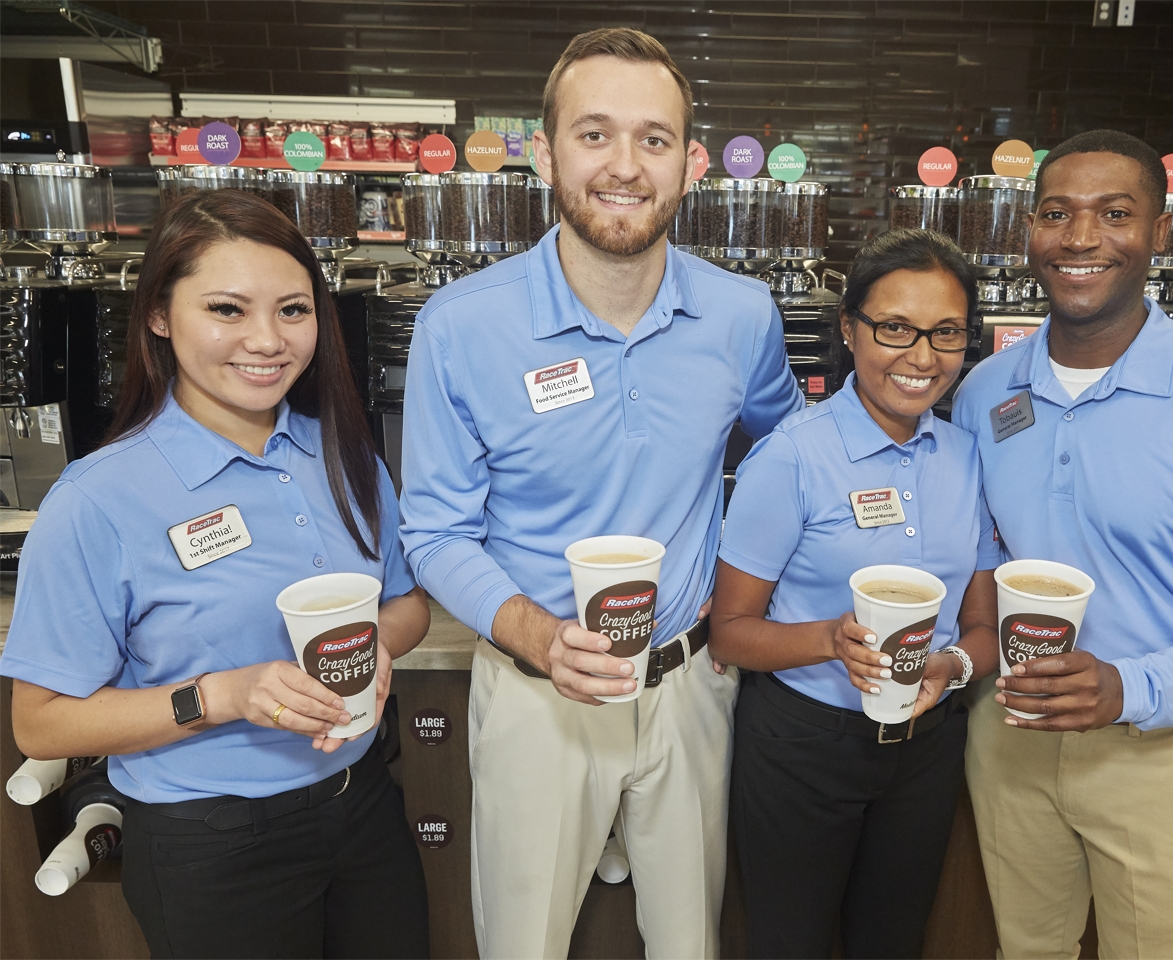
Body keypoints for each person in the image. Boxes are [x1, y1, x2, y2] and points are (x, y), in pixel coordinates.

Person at [397, 28, 803, 959]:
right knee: (523, 942)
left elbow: (788, 456)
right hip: (537, 691)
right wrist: (538, 637)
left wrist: (750, 584)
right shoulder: (461, 327)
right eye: (594, 135)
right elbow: (434, 531)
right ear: (544, 153)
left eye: (654, 139)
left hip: (693, 682)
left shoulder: (742, 316)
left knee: (689, 942)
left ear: (692, 164)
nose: (625, 166)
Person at [1, 190, 431, 959]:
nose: (266, 340)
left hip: (361, 810)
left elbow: (405, 604)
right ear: (159, 316)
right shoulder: (97, 499)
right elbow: (42, 721)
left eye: (293, 310)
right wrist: (222, 695)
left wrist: (370, 648)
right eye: (227, 309)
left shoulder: (345, 456)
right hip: (213, 840)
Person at [953, 130, 1173, 958]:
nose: (1081, 239)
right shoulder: (983, 392)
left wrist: (1130, 687)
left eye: (1115, 214)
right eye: (1057, 214)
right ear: (1028, 231)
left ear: (1161, 232)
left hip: (1166, 758)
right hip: (1012, 741)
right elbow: (975, 556)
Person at [711, 229, 1001, 959]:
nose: (922, 356)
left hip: (926, 751)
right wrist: (830, 639)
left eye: (947, 333)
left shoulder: (969, 460)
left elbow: (982, 629)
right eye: (895, 328)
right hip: (800, 747)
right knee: (789, 944)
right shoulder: (792, 456)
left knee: (894, 944)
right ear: (850, 328)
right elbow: (731, 632)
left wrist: (955, 668)